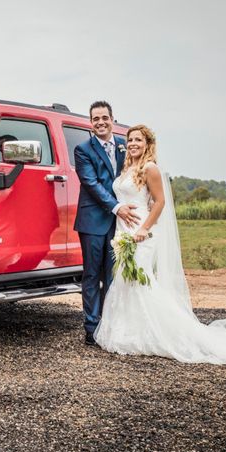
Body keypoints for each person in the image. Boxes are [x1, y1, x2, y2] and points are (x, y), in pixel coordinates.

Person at [93, 125, 226, 365]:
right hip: (124, 229)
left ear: (147, 143)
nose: (132, 144)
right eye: (130, 140)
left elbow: (160, 202)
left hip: (142, 230)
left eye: (138, 140)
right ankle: (129, 332)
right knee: (126, 279)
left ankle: (162, 334)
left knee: (140, 280)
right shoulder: (127, 167)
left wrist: (144, 229)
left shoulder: (150, 168)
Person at [74, 101, 140, 346]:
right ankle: (92, 329)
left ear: (113, 119)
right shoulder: (83, 150)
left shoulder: (124, 146)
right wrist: (117, 207)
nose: (100, 122)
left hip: (120, 223)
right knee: (92, 275)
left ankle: (110, 324)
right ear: (90, 123)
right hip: (93, 221)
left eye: (104, 118)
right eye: (95, 119)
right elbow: (91, 184)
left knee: (113, 276)